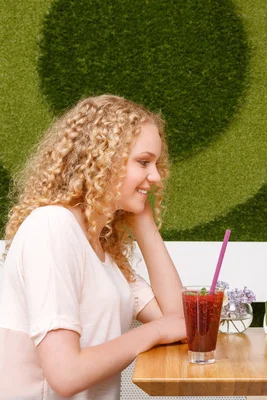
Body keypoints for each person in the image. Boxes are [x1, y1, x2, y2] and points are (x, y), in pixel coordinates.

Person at [0, 95, 186, 399]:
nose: (154, 177)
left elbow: (182, 320)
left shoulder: (101, 247)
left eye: (155, 164)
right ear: (104, 160)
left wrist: (146, 226)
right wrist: (155, 332)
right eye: (143, 162)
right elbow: (66, 374)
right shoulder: (52, 228)